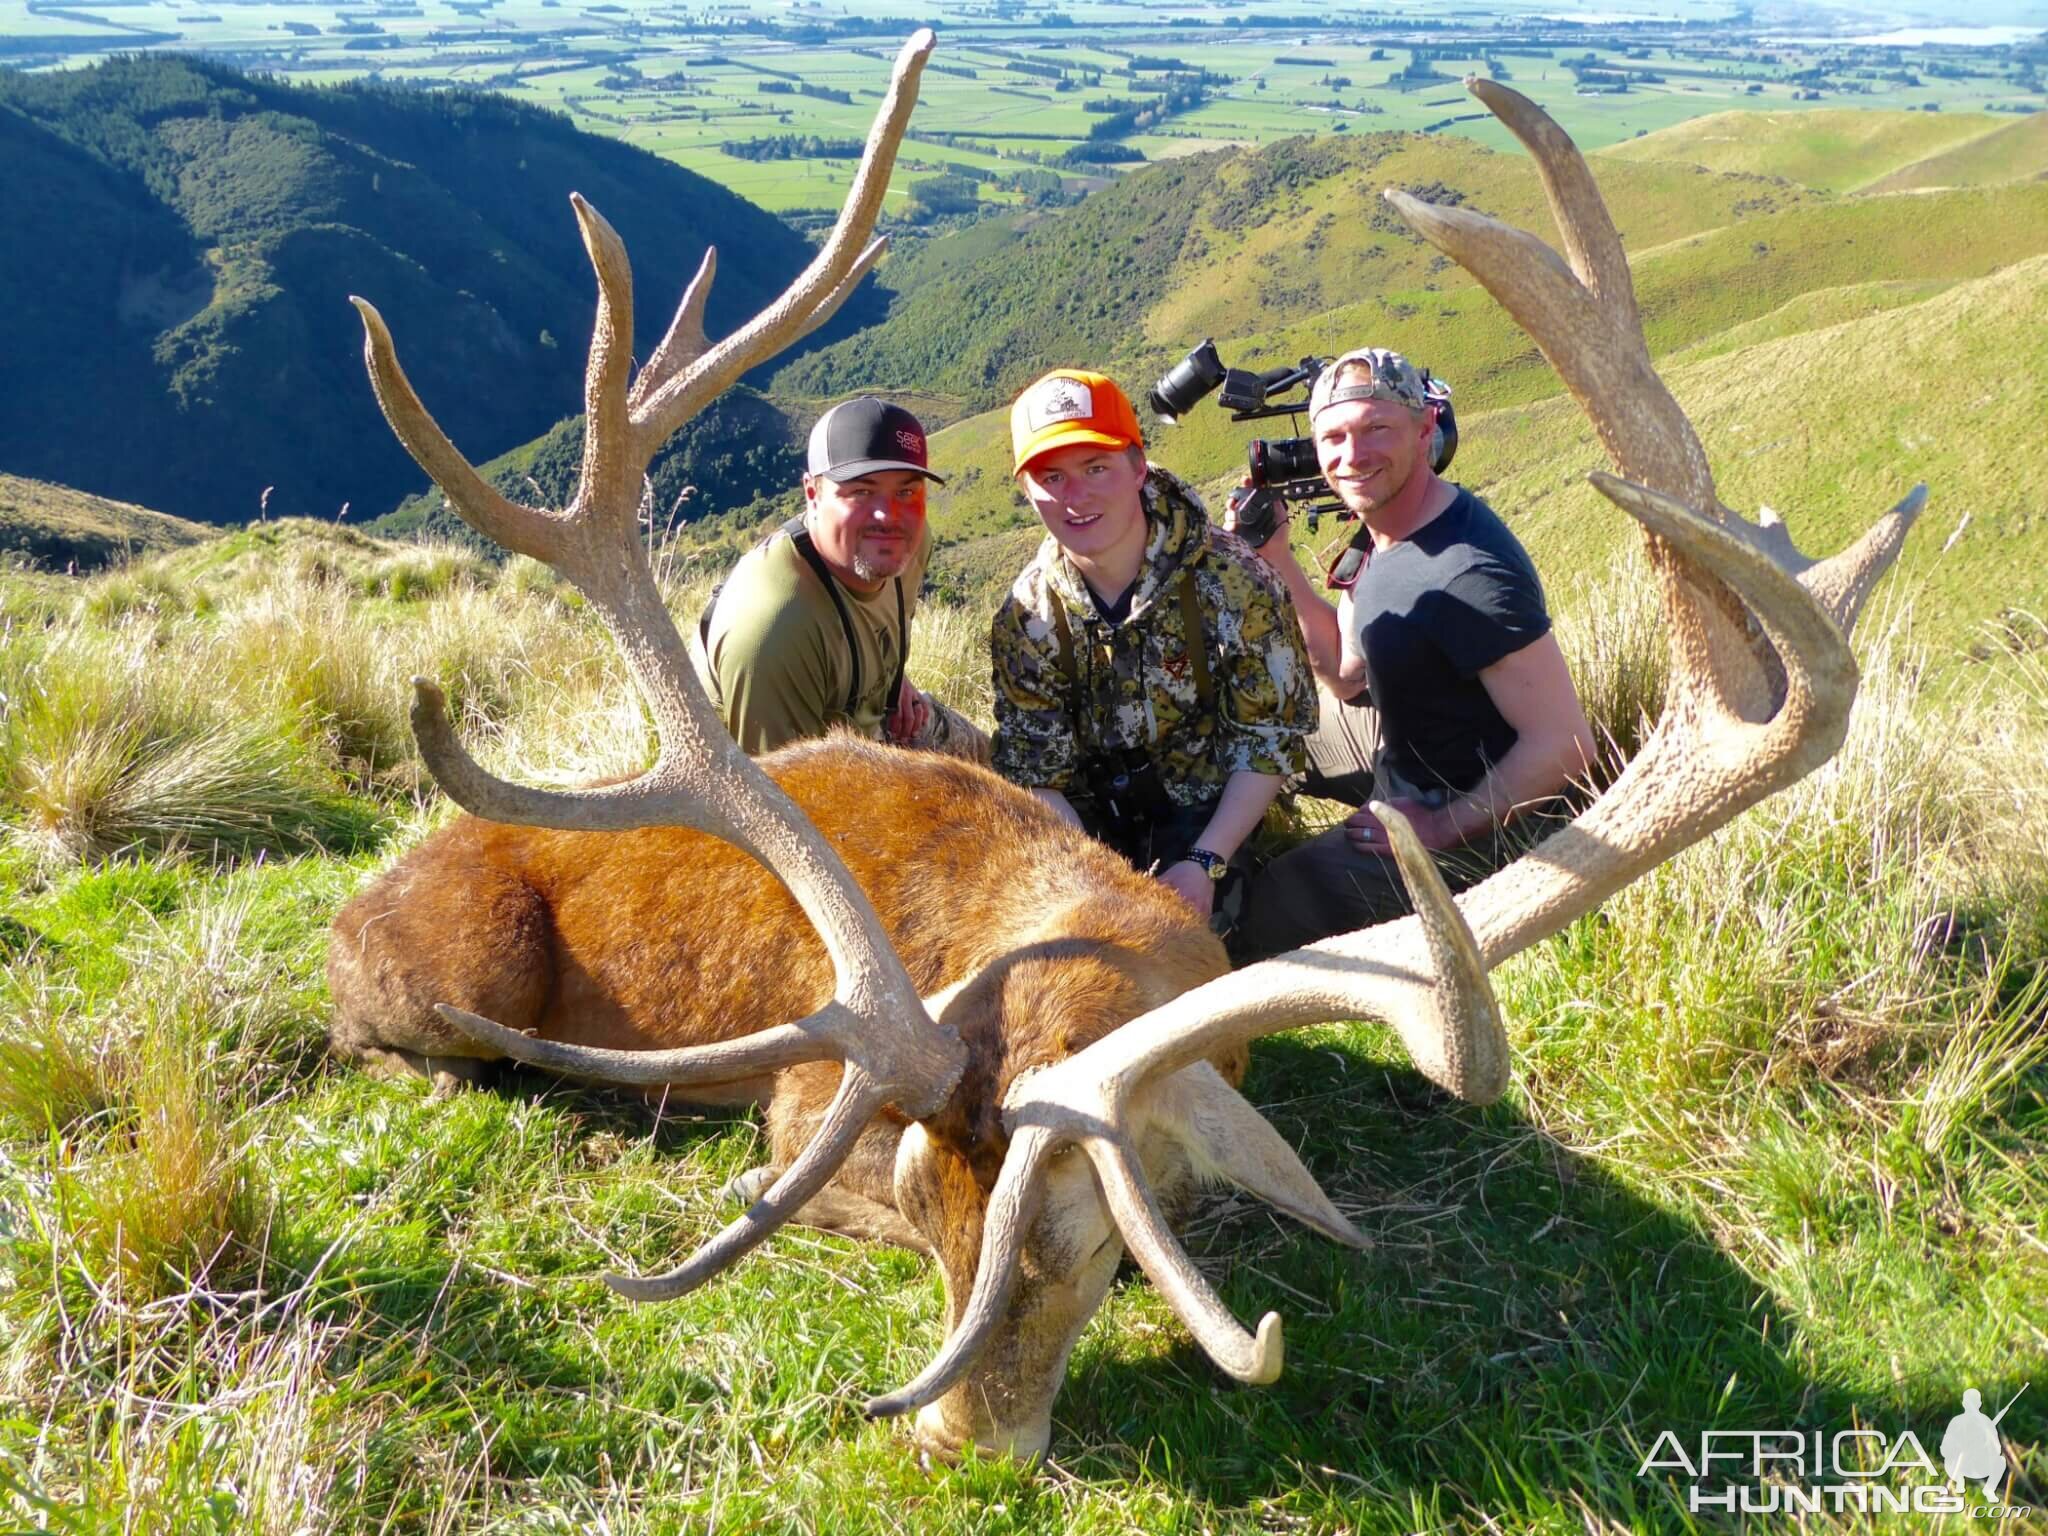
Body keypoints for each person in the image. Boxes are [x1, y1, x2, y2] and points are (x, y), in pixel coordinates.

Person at [1232, 346, 1597, 961]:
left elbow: (1566, 746)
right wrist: (1276, 560)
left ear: (1425, 429)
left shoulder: (1468, 573)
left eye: (1378, 429)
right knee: (1249, 739)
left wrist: (1435, 828)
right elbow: (1347, 674)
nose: (1354, 457)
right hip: (1403, 744)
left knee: (1266, 908)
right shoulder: (1386, 529)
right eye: (1334, 438)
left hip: (1467, 814)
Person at [989, 369, 1316, 930]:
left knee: (1199, 942)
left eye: (1096, 467)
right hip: (1088, 838)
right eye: (1052, 477)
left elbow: (1268, 745)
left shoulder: (1236, 583)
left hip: (1218, 818)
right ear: (1028, 492)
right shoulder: (1028, 620)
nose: (1077, 496)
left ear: (1138, 467)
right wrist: (1097, 883)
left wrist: (1204, 862)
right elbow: (1039, 775)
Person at [700, 396, 982, 760]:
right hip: (777, 780)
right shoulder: (774, 627)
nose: (889, 516)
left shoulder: (909, 546)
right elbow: (779, 802)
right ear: (812, 494)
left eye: (906, 491)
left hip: (870, 732)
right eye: (861, 492)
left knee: (999, 768)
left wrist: (892, 682)